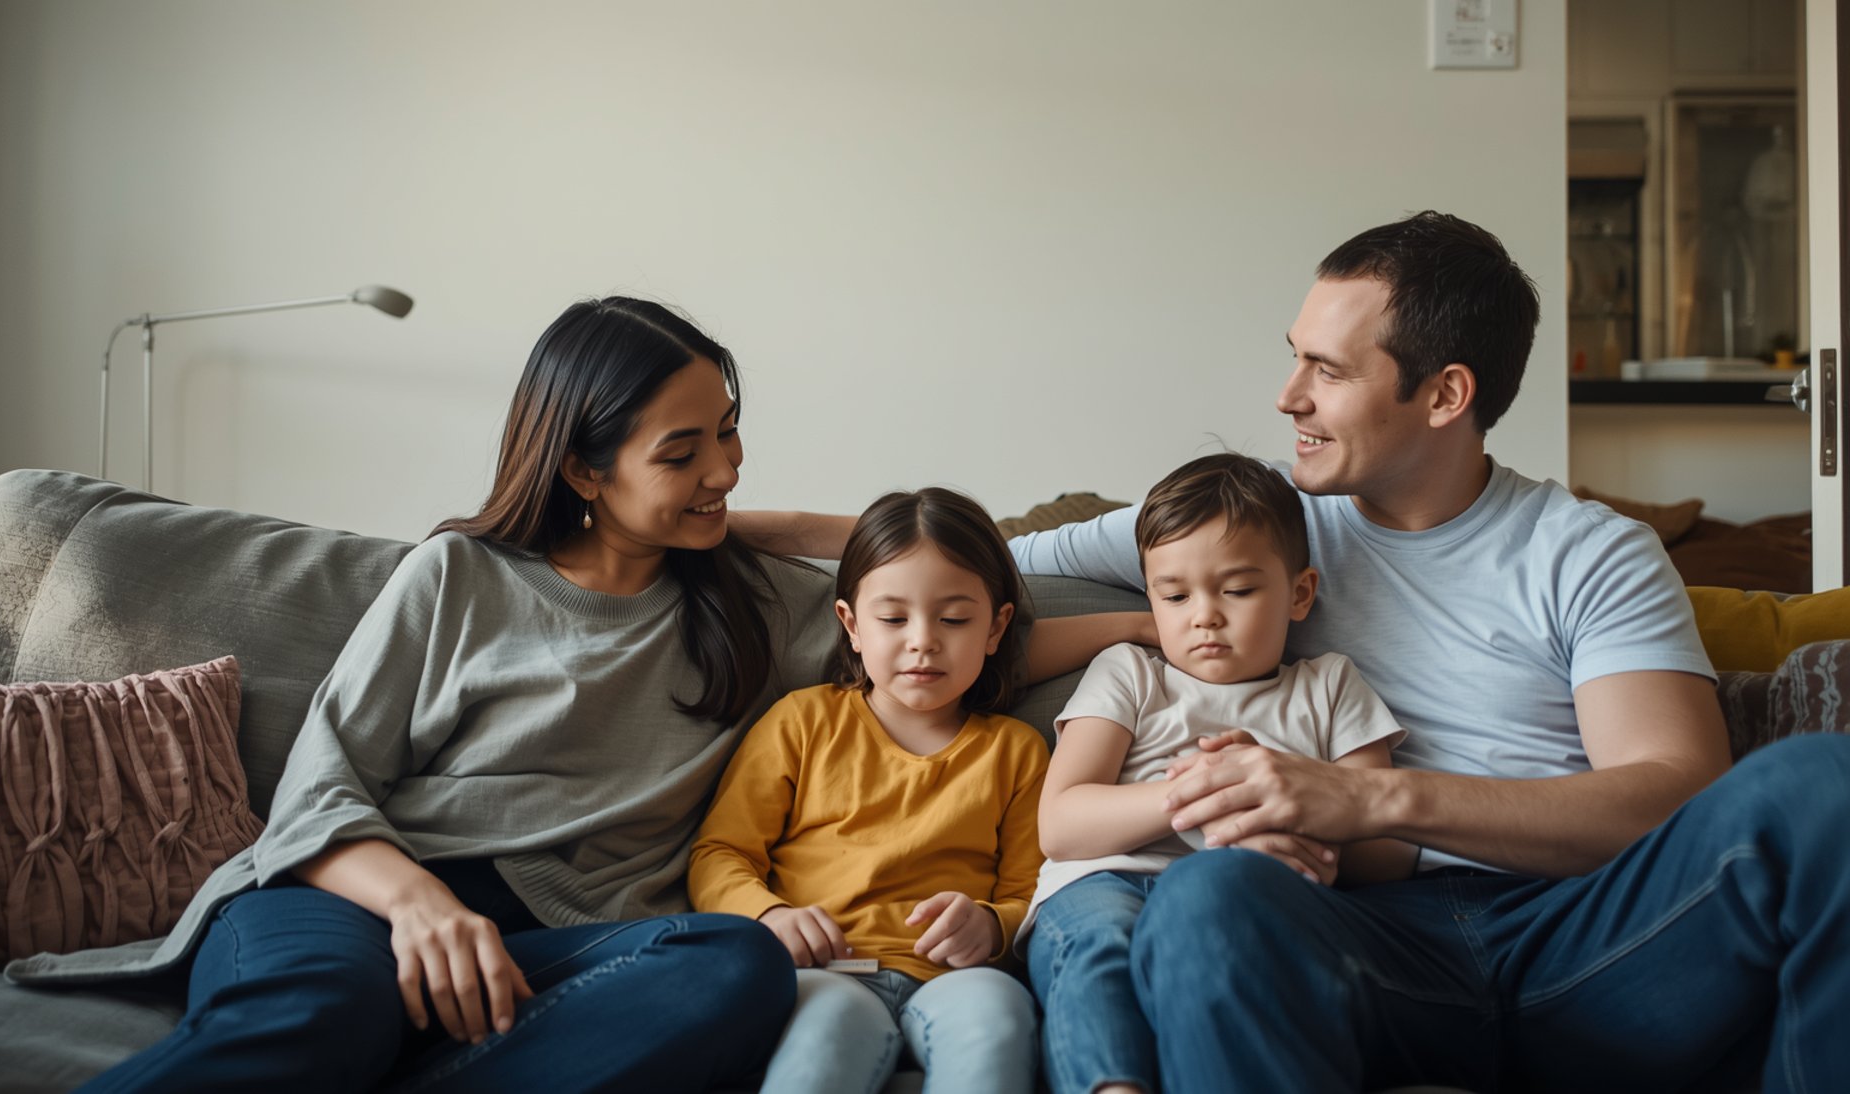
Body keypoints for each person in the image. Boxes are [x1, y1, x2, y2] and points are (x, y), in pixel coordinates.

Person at [740, 212, 1850, 1091]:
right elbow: (963, 559)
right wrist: (709, 523)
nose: (1288, 397)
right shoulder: (1250, 531)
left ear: (1445, 394)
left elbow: (1670, 796)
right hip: (1356, 940)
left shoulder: (1587, 551)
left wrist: (1371, 800)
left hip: (1583, 937)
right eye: (1293, 360)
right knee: (1206, 896)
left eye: (1326, 369)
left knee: (1823, 787)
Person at [65, 297, 832, 1092]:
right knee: (332, 1013)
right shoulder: (460, 574)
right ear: (583, 470)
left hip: (566, 944)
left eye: (729, 430)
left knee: (737, 961)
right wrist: (420, 906)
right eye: (682, 455)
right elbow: (321, 786)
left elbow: (967, 563)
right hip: (363, 897)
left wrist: (787, 525)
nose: (726, 469)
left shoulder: (760, 605)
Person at [690, 486, 1147, 1094]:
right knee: (826, 1034)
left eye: (955, 619)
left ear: (996, 627)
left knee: (997, 1020)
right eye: (893, 618)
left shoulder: (1015, 751)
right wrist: (769, 915)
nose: (923, 640)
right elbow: (720, 854)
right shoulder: (800, 723)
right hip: (826, 969)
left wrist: (989, 926)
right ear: (851, 625)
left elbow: (1030, 893)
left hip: (952, 977)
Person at [1025, 452, 1410, 1094]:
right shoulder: (1131, 671)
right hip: (1107, 878)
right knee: (1098, 951)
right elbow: (1061, 825)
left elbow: (1390, 852)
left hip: (1245, 904)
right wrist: (1194, 793)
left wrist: (1312, 838)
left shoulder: (1331, 684)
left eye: (1237, 590)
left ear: (1300, 593)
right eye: (1175, 596)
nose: (1204, 615)